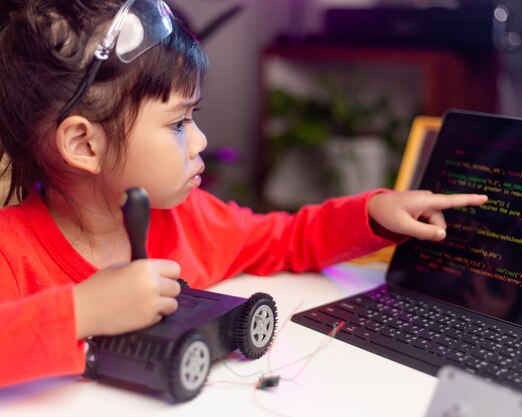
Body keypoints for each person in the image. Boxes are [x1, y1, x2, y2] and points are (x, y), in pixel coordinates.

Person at [0, 0, 487, 388]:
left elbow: (287, 238)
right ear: (85, 144)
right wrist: (84, 311)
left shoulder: (192, 222)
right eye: (178, 123)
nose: (201, 141)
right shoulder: (11, 252)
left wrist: (373, 213)